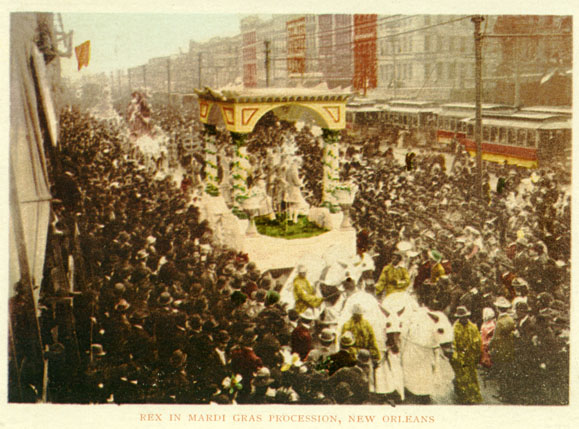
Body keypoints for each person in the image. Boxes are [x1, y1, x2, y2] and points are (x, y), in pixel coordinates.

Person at [450, 306, 483, 404]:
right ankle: (463, 397)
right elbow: (453, 342)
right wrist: (455, 355)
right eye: (461, 317)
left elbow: (478, 342)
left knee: (472, 377)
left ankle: (472, 397)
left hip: (470, 356)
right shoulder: (455, 328)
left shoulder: (473, 327)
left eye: (465, 317)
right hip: (460, 357)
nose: (463, 319)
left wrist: (477, 355)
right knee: (461, 377)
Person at [489, 296, 516, 403]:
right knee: (507, 371)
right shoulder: (510, 319)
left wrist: (490, 346)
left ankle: (503, 394)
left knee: (502, 372)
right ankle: (506, 393)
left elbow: (495, 337)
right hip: (509, 348)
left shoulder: (500, 322)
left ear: (497, 308)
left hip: (500, 349)